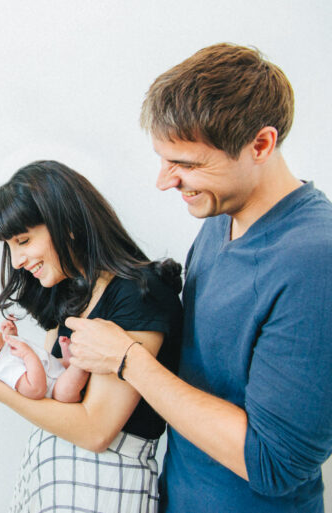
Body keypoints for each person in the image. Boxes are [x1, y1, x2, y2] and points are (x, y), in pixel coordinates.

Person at [64, 43, 332, 512]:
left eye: (186, 165)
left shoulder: (315, 262)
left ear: (261, 145)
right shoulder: (218, 215)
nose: (164, 181)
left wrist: (129, 361)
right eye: (164, 160)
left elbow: (275, 464)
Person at [0, 160, 183, 512]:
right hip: (53, 479)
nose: (16, 261)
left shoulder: (137, 295)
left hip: (103, 486)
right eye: (9, 247)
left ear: (67, 224)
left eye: (23, 241)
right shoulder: (69, 294)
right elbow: (51, 399)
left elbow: (95, 431)